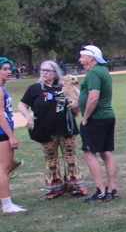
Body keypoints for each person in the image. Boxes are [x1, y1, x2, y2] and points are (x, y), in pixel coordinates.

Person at [17, 61, 87, 200]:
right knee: (50, 159)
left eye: (48, 70)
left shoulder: (64, 87)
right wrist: (28, 117)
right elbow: (22, 105)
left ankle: (75, 188)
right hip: (45, 130)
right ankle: (54, 189)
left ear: (55, 73)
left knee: (70, 157)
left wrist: (75, 104)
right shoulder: (34, 88)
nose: (44, 73)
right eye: (42, 70)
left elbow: (78, 101)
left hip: (66, 129)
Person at [77, 45, 119, 203]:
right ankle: (112, 189)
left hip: (96, 119)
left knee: (88, 154)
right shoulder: (103, 71)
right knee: (106, 152)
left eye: (82, 57)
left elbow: (94, 98)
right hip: (107, 117)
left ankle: (100, 191)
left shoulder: (94, 72)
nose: (80, 60)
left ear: (91, 58)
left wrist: (85, 118)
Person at [1, 57, 26, 212]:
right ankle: (7, 205)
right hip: (2, 132)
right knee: (4, 168)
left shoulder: (2, 88)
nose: (8, 71)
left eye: (9, 69)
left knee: (5, 167)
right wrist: (11, 136)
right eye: (4, 69)